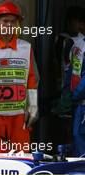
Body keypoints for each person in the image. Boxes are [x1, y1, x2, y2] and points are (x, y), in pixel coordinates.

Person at [0, 1, 39, 153]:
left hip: (19, 117)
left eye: (13, 22)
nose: (9, 25)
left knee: (22, 160)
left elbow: (32, 79)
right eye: (5, 21)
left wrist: (33, 107)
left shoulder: (26, 48)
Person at [68, 10, 85, 156]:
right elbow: (72, 70)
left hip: (81, 101)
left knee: (79, 138)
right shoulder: (78, 43)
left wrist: (74, 96)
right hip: (79, 102)